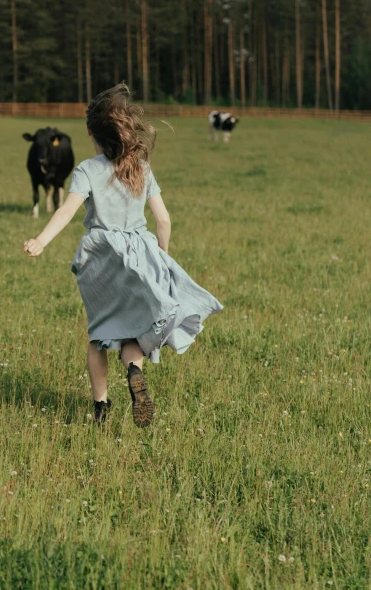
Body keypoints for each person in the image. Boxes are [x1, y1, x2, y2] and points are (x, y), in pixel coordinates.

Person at [23, 85, 222, 428]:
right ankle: (133, 370)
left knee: (100, 334)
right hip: (139, 254)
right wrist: (162, 255)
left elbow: (67, 211)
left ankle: (101, 408)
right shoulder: (141, 168)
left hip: (101, 258)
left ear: (91, 133)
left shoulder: (87, 169)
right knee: (132, 334)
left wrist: (41, 239)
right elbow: (163, 219)